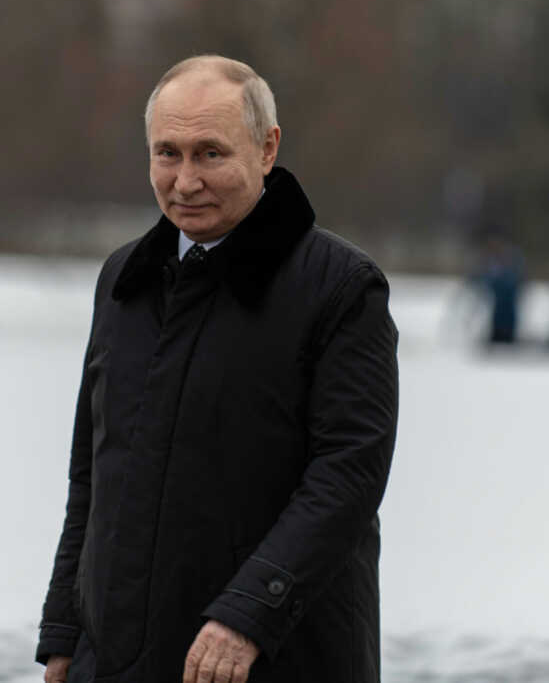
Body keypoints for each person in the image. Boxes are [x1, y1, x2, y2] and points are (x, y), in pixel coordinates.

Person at [36, 55, 399, 683]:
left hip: (277, 657)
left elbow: (347, 478)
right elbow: (91, 473)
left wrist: (249, 615)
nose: (185, 181)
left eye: (210, 154)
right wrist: (65, 629)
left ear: (267, 148)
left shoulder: (341, 288)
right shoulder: (124, 280)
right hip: (114, 657)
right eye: (167, 154)